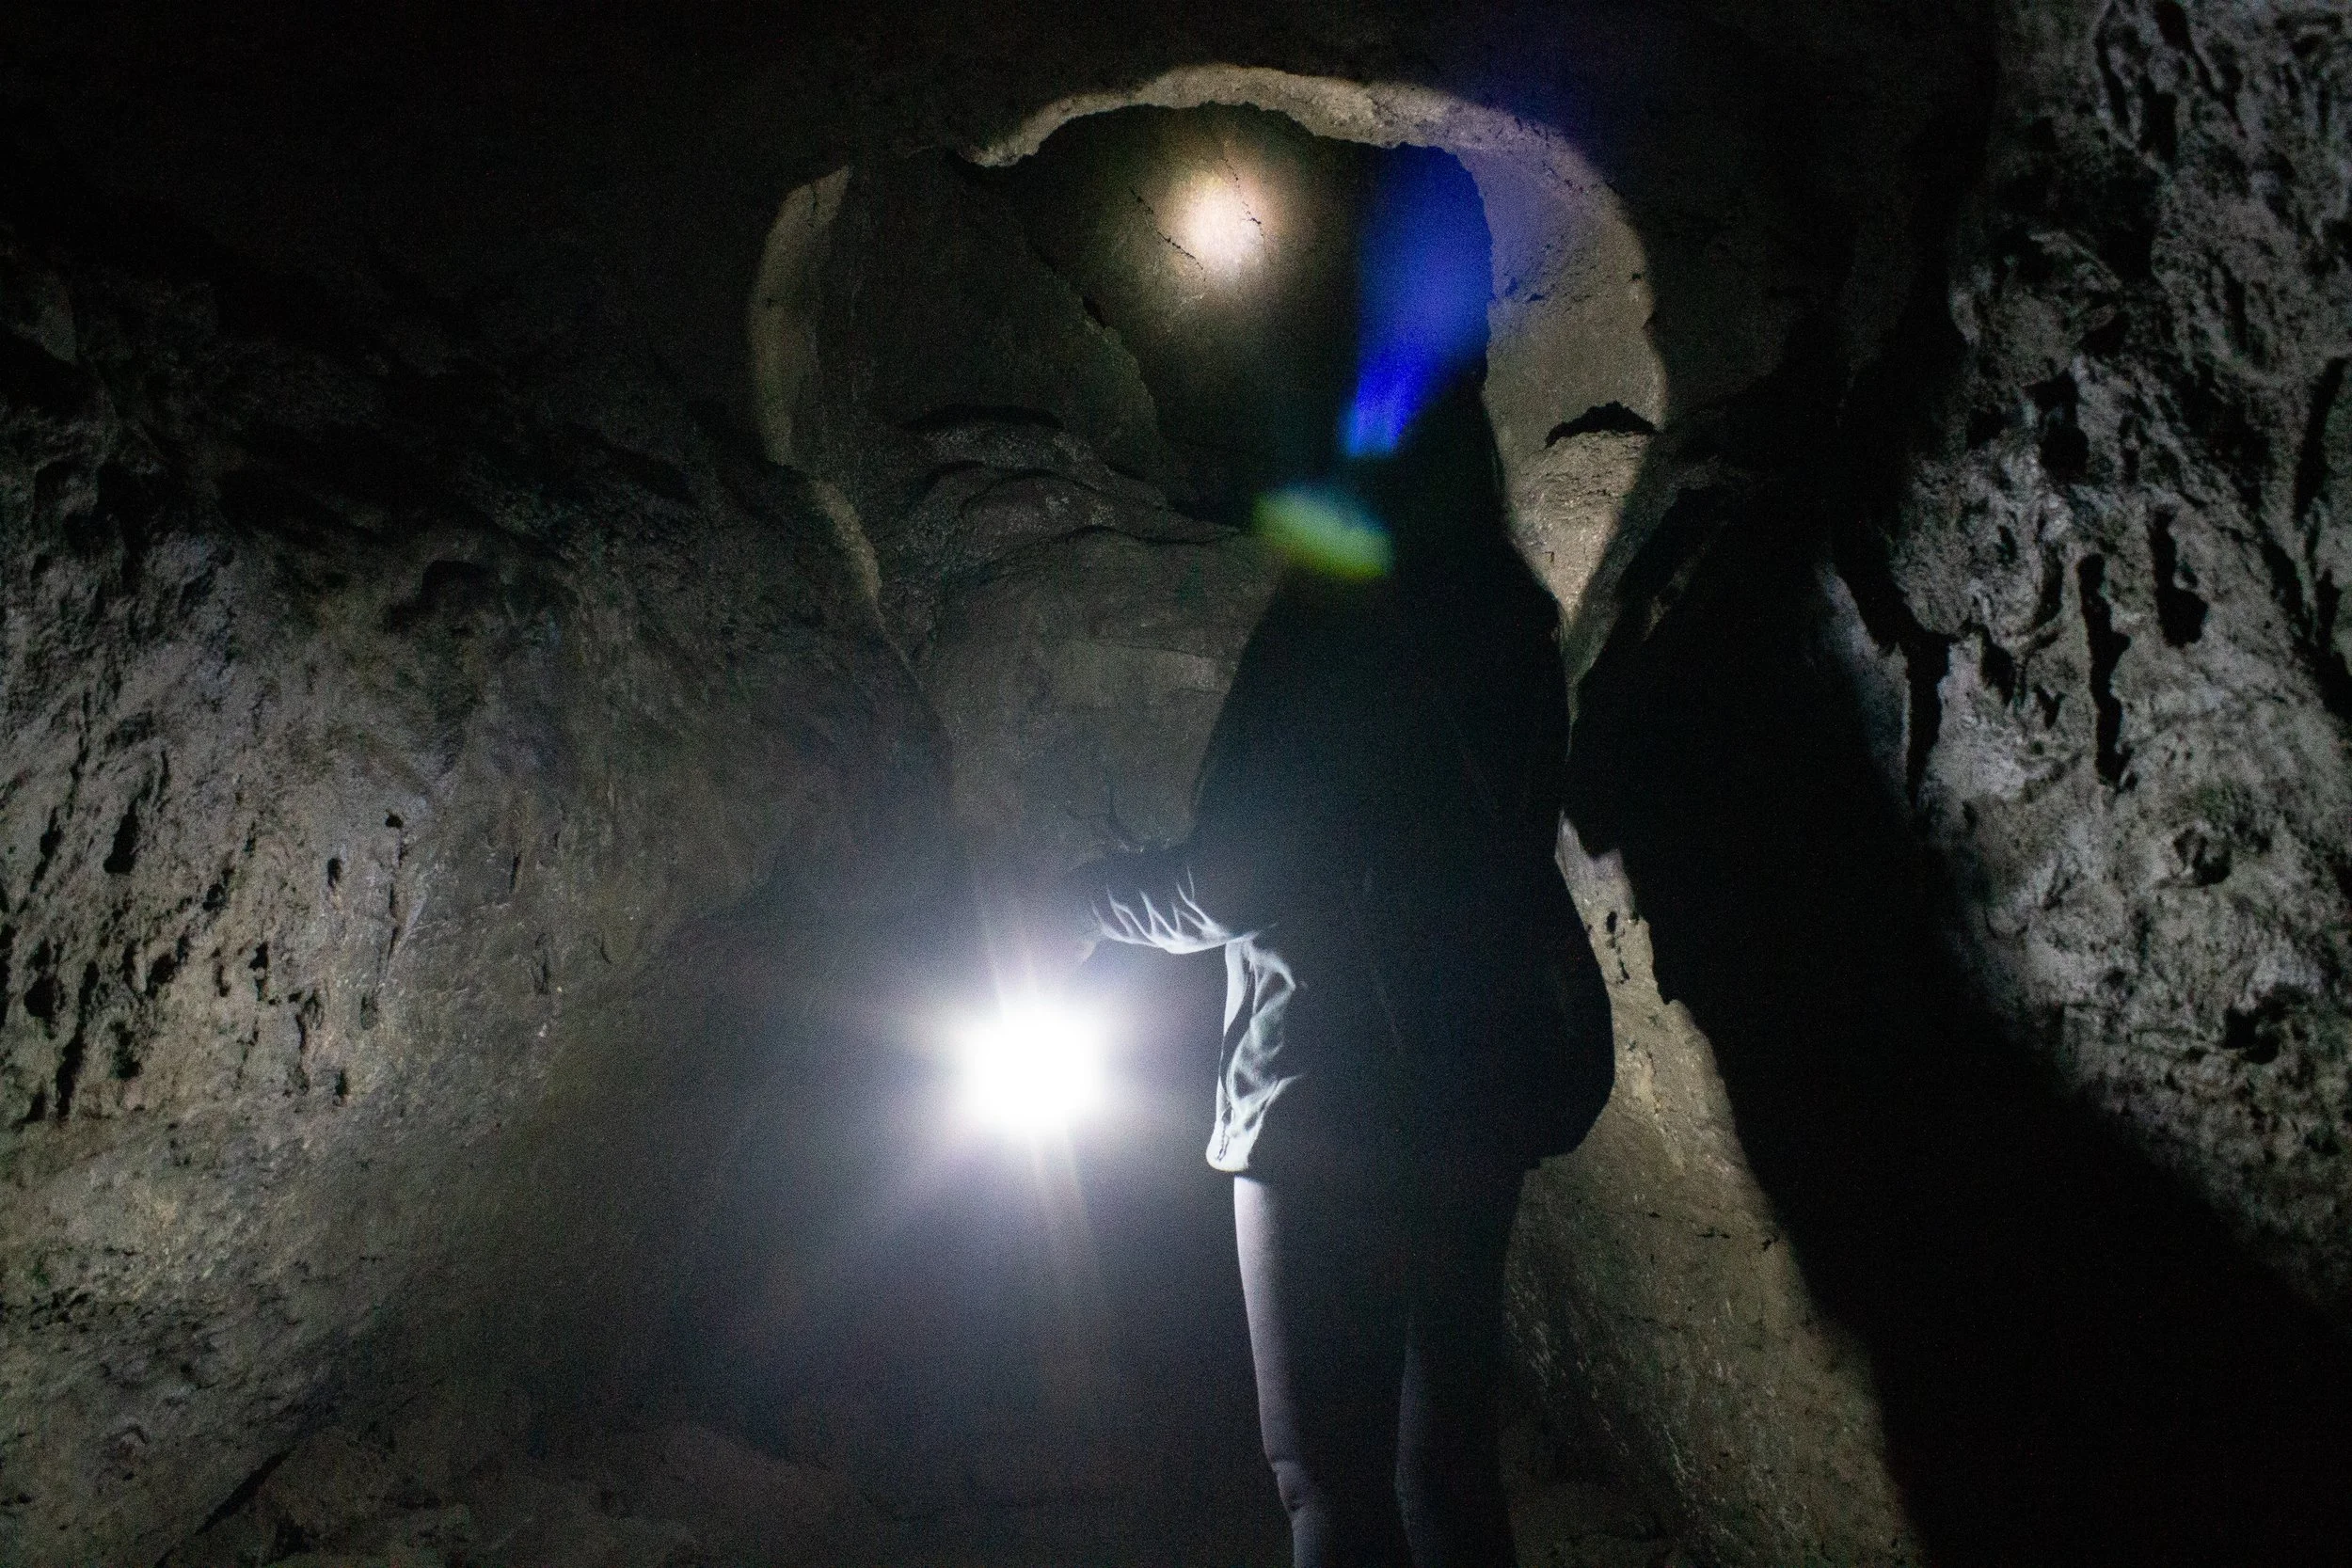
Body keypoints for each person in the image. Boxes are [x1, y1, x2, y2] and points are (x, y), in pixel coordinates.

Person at [1040, 370, 1613, 1568]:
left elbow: (1236, 880)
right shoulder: (1510, 636)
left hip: (1328, 1094)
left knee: (1325, 1481)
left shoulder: (1330, 644)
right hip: (1475, 1080)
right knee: (1445, 1464)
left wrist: (1085, 904)